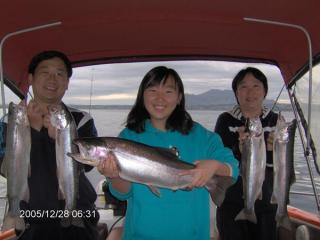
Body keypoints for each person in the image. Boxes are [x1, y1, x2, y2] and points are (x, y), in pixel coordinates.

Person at [97, 66, 239, 240]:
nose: (160, 98)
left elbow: (233, 168)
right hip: (141, 234)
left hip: (192, 235)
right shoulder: (128, 137)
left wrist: (214, 167)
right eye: (152, 90)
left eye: (168, 91)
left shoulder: (202, 136)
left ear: (179, 97)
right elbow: (123, 193)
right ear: (143, 96)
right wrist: (114, 175)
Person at [2, 50, 99, 240]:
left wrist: (60, 138)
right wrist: (34, 131)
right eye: (45, 72)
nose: (52, 79)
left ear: (67, 83)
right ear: (31, 78)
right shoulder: (11, 121)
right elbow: (5, 168)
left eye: (60, 73)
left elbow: (88, 164)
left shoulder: (79, 119)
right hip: (31, 217)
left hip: (78, 213)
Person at [214, 67, 278, 240]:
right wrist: (239, 150)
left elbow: (282, 168)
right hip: (231, 204)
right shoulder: (225, 120)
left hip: (267, 204)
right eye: (243, 87)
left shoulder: (276, 121)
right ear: (236, 92)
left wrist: (273, 151)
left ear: (265, 91)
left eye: (256, 86)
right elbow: (219, 162)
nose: (250, 92)